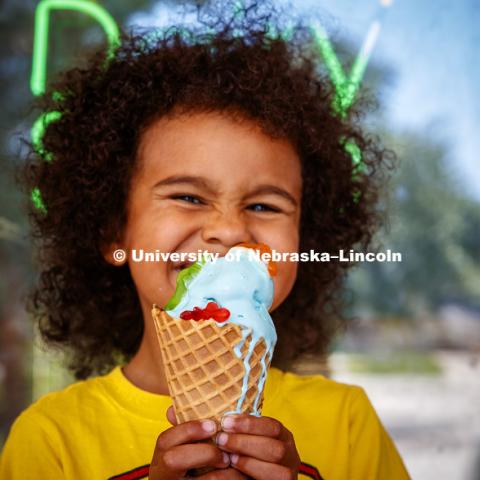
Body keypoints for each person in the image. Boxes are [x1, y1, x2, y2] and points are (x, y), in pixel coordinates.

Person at [0, 1, 410, 478]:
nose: (231, 230)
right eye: (189, 197)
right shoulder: (52, 440)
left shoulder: (348, 422)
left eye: (264, 206)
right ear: (115, 230)